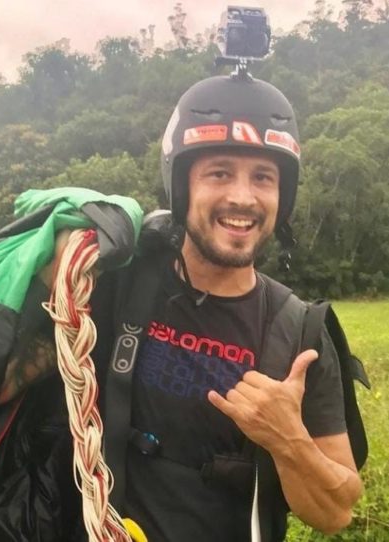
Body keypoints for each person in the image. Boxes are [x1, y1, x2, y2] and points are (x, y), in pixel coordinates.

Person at [89, 73, 363, 542]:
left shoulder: (300, 332)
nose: (243, 197)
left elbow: (336, 511)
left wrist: (286, 438)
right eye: (219, 172)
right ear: (182, 187)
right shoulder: (116, 286)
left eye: (263, 177)